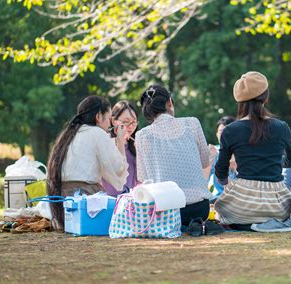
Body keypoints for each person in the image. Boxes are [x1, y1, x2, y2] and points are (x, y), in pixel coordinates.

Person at [214, 71, 291, 227]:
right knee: (287, 205)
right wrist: (276, 163)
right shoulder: (281, 127)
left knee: (219, 207)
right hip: (277, 207)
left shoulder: (230, 130)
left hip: (242, 206)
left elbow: (220, 171)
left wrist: (227, 185)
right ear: (265, 97)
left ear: (239, 100)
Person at [135, 85, 212, 227]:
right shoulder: (192, 123)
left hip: (166, 212)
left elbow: (143, 177)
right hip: (200, 210)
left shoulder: (142, 136)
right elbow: (205, 161)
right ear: (169, 102)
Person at [47, 96, 129, 231]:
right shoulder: (97, 132)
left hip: (61, 202)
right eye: (109, 119)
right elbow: (118, 168)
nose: (109, 125)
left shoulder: (67, 134)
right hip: (84, 198)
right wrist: (120, 140)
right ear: (98, 116)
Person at [102, 100, 140, 196]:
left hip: (129, 201)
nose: (131, 126)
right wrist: (120, 141)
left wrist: (140, 153)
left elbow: (140, 178)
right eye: (126, 122)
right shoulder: (105, 142)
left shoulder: (135, 144)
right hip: (108, 201)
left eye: (134, 122)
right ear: (114, 121)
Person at [205, 116, 237, 201]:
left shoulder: (242, 153)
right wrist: (209, 161)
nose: (224, 135)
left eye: (228, 131)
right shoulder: (213, 152)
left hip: (239, 199)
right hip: (217, 198)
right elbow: (203, 181)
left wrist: (235, 167)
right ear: (216, 134)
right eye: (221, 131)